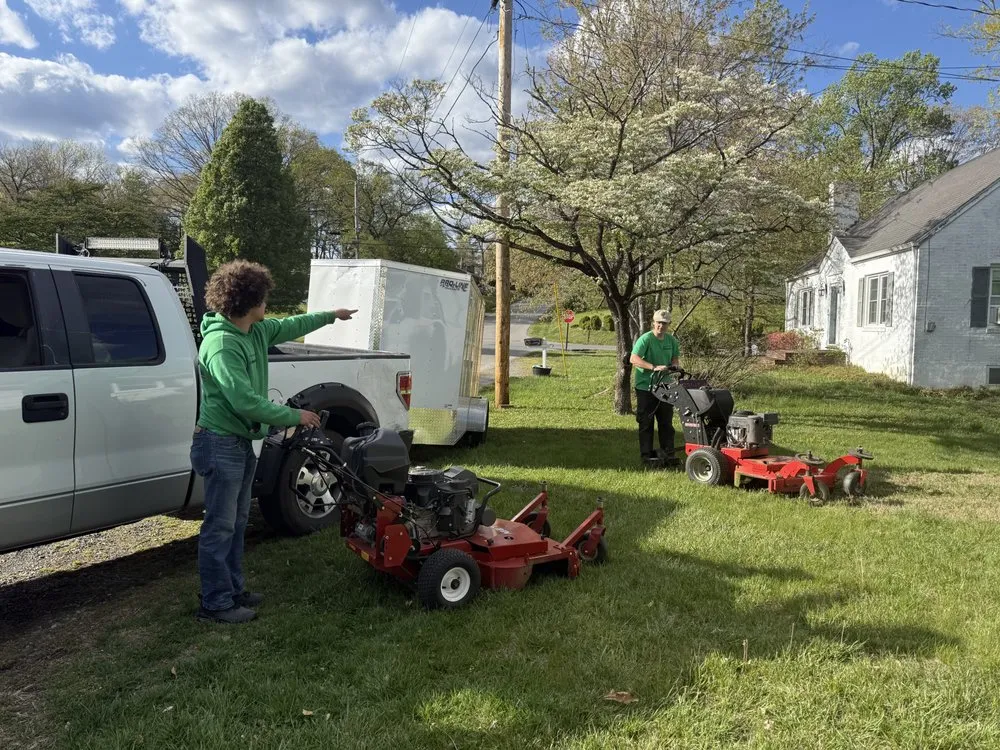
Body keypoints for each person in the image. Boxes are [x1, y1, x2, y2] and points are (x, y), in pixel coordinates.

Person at [191, 260, 357, 624]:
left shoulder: (255, 331)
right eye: (264, 297)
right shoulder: (222, 345)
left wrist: (332, 315)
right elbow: (244, 401)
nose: (268, 304)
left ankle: (233, 590)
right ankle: (215, 604)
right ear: (248, 300)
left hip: (237, 443)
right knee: (220, 526)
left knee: (235, 522)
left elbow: (292, 325)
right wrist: (294, 417)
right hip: (219, 444)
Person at [629, 309, 681, 468]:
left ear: (668, 325)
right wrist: (653, 367)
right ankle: (646, 456)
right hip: (646, 386)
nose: (661, 326)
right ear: (654, 323)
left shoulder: (671, 341)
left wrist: (674, 367)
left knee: (666, 422)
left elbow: (675, 359)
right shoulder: (645, 339)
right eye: (658, 323)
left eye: (664, 324)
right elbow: (634, 358)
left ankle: (668, 454)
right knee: (646, 422)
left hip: (665, 386)